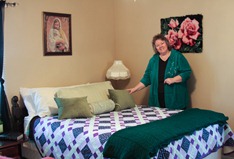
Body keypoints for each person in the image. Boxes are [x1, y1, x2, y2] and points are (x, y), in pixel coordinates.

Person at [128, 34, 191, 110]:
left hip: (175, 100)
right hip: (157, 102)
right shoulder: (153, 60)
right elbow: (146, 78)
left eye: (162, 43)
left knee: (176, 121)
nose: (160, 46)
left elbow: (186, 73)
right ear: (156, 48)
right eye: (157, 45)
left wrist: (173, 79)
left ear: (166, 43)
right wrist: (134, 89)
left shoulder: (177, 56)